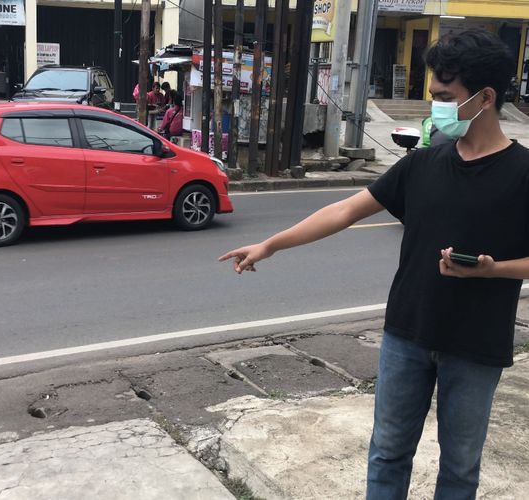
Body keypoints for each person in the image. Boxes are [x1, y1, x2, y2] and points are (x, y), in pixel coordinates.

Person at [219, 29, 527, 499]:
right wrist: (271, 244)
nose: (436, 108)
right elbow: (343, 211)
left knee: (460, 466)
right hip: (406, 335)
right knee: (387, 453)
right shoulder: (422, 165)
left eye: (446, 97)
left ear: (485, 97)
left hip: (476, 345)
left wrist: (491, 270)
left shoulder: (522, 174)